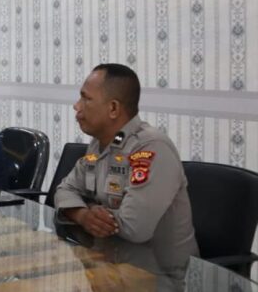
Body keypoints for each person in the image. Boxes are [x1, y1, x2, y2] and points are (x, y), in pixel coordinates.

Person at [54, 63, 198, 263]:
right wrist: (82, 215)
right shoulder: (98, 144)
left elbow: (134, 228)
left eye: (86, 98)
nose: (77, 106)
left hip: (162, 273)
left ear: (113, 108)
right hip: (112, 262)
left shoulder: (151, 148)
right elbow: (64, 189)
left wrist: (88, 208)